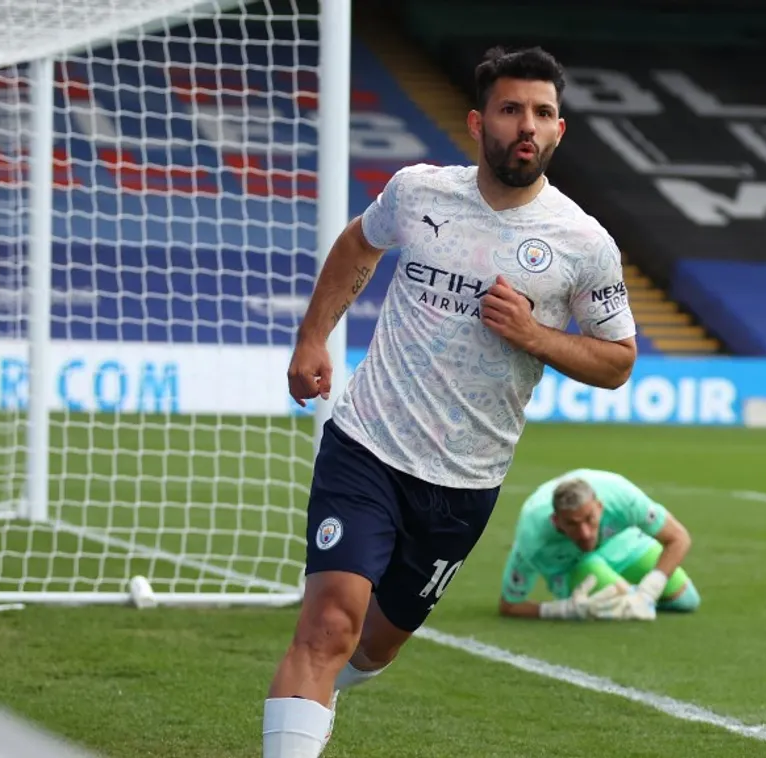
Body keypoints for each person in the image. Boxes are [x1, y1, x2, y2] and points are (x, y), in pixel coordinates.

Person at [263, 46, 639, 758]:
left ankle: (311, 700)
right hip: (367, 446)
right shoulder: (418, 192)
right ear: (478, 122)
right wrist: (313, 337)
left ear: (559, 130)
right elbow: (356, 246)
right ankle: (301, 705)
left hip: (464, 484)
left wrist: (534, 335)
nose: (525, 125)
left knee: (372, 649)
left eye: (541, 112)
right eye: (509, 110)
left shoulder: (583, 244)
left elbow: (617, 361)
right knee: (327, 627)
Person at [498, 469, 699, 622]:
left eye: (590, 519)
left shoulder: (623, 497)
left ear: (600, 507)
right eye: (572, 524)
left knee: (687, 601)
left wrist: (648, 591)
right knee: (625, 605)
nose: (585, 533)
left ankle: (633, 592)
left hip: (621, 542)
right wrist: (562, 609)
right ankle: (623, 591)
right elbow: (509, 605)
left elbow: (679, 538)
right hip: (572, 564)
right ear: (556, 521)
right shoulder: (532, 534)